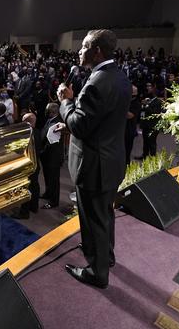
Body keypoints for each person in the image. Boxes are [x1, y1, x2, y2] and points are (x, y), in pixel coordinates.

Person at [57, 29, 131, 289]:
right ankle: (104, 256)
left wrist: (65, 103)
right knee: (104, 215)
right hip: (111, 159)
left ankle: (97, 272)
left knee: (94, 218)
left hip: (94, 165)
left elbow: (79, 125)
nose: (79, 51)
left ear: (97, 51)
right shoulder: (119, 76)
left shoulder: (97, 81)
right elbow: (102, 119)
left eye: (84, 46)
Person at [11, 113, 41, 219]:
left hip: (26, 165)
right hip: (36, 164)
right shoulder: (38, 132)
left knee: (26, 187)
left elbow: (18, 150)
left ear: (27, 122)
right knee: (35, 185)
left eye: (23, 120)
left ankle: (24, 212)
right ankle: (34, 207)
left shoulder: (25, 135)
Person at [39, 103, 64, 209]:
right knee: (47, 177)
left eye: (47, 110)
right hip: (47, 156)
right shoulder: (50, 120)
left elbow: (52, 144)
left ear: (52, 111)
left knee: (53, 180)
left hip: (53, 157)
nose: (45, 112)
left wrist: (41, 151)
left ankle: (53, 201)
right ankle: (48, 193)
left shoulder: (57, 123)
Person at [137, 82, 162, 159]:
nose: (147, 88)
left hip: (153, 126)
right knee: (145, 142)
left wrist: (146, 105)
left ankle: (153, 158)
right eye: (147, 86)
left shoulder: (157, 101)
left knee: (152, 142)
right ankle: (144, 155)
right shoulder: (148, 99)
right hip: (146, 125)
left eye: (149, 86)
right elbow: (142, 110)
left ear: (154, 89)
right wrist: (143, 105)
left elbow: (154, 113)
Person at [125, 85, 141, 165]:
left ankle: (126, 167)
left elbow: (130, 115)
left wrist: (120, 108)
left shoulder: (136, 103)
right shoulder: (126, 100)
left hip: (129, 130)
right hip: (122, 130)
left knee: (127, 150)